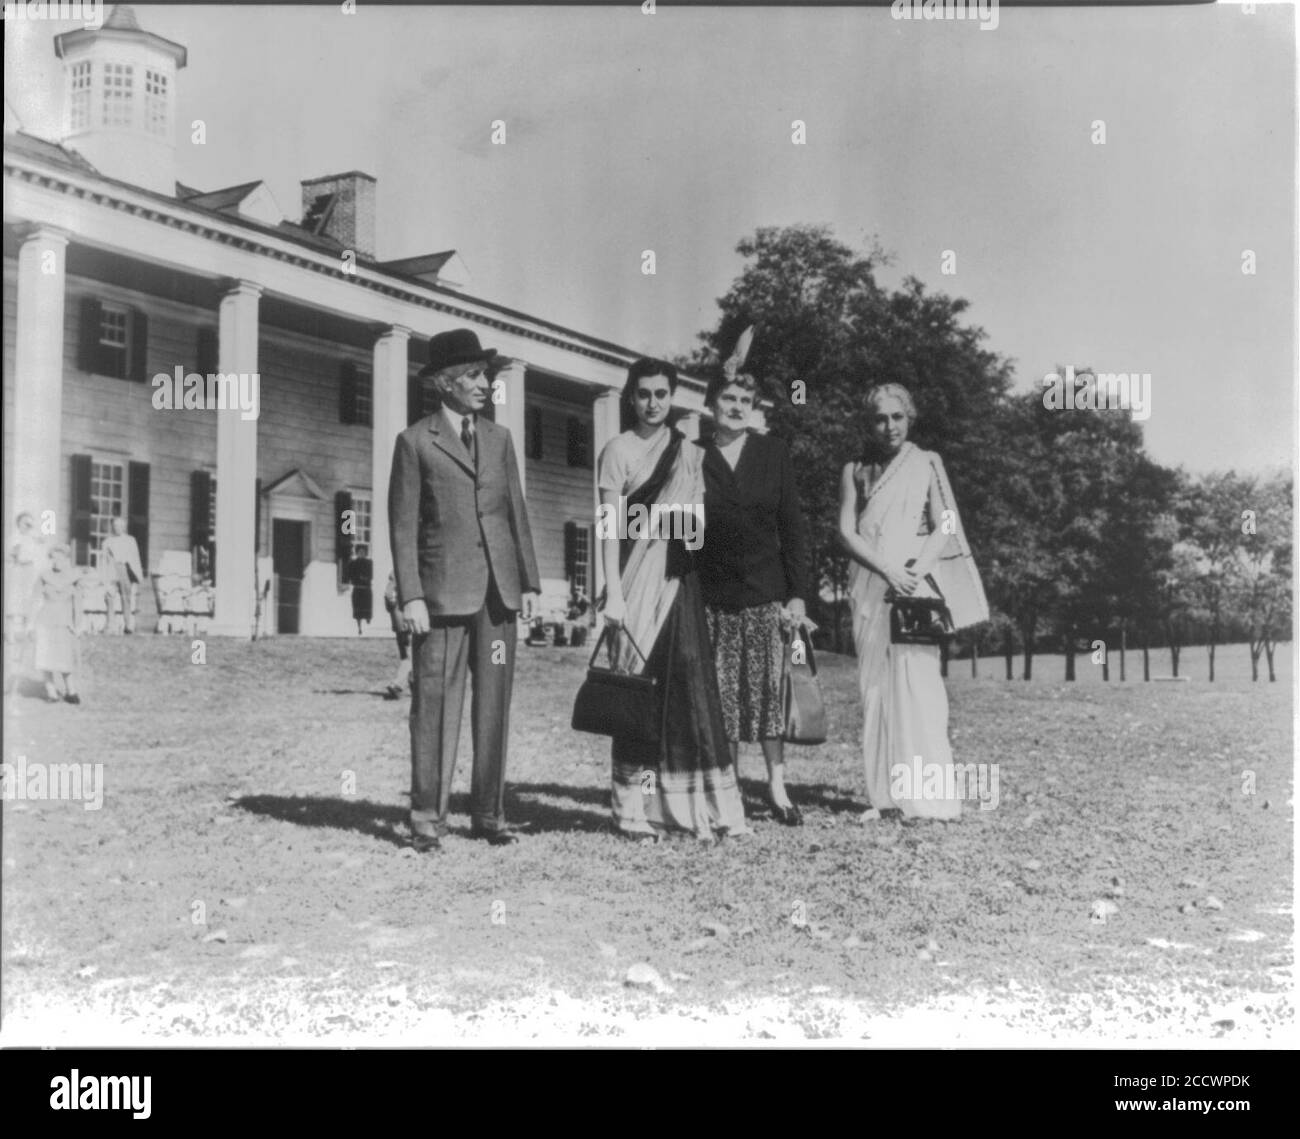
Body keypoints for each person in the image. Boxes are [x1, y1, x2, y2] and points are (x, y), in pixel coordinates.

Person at [388, 328, 540, 852]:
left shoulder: (500, 440)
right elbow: (402, 526)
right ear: (446, 384)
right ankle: (427, 820)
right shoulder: (413, 442)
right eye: (475, 375)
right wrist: (410, 596)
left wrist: (530, 582)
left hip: (499, 595)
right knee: (434, 707)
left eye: (487, 375)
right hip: (440, 598)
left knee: (493, 706)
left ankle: (490, 815)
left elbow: (515, 512)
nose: (485, 384)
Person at [597, 358, 749, 843]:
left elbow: (698, 529)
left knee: (686, 692)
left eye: (662, 394)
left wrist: (679, 522)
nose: (653, 403)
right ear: (631, 397)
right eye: (644, 394)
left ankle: (693, 809)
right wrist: (612, 594)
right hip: (634, 582)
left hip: (679, 582)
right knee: (637, 697)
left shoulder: (687, 453)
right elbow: (608, 527)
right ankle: (631, 811)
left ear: (672, 396)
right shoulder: (617, 450)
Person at [837, 383, 988, 821]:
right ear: (870, 423)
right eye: (880, 418)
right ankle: (884, 796)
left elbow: (945, 524)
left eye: (897, 417)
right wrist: (888, 570)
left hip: (914, 587)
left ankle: (928, 800)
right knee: (876, 689)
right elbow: (845, 532)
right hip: (870, 585)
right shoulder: (855, 469)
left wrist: (915, 571)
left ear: (910, 418)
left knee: (920, 689)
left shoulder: (926, 463)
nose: (889, 427)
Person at [696, 365, 812, 826]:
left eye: (746, 401)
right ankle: (729, 789)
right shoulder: (693, 455)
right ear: (711, 406)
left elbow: (794, 530)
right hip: (712, 596)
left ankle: (777, 788)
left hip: (766, 594)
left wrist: (799, 595)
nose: (738, 407)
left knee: (766, 695)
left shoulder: (772, 453)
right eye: (729, 399)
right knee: (723, 696)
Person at [28, 543, 82, 704]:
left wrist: (78, 624)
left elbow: (78, 603)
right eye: (54, 558)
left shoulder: (74, 577)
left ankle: (70, 691)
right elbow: (35, 600)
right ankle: (51, 692)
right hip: (45, 620)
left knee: (65, 657)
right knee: (45, 657)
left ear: (67, 559)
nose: (57, 561)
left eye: (61, 558)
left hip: (65, 621)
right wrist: (30, 625)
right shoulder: (44, 576)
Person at [5, 512, 46, 693]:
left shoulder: (33, 537)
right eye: (24, 524)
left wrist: (34, 536)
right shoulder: (14, 537)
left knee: (31, 599)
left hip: (30, 570)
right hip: (18, 570)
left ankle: (29, 627)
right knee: (15, 599)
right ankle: (13, 631)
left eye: (29, 524)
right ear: (18, 524)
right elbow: (11, 554)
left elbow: (42, 547)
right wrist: (16, 552)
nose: (26, 527)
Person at [101, 515, 144, 634]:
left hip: (125, 570)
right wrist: (104, 577)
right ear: (112, 527)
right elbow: (104, 560)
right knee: (109, 597)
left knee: (127, 598)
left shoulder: (130, 540)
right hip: (112, 570)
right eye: (115, 525)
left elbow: (135, 558)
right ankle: (110, 625)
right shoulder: (107, 542)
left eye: (120, 526)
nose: (118, 528)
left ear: (124, 527)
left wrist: (137, 576)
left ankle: (128, 625)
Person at [382, 570, 412, 700]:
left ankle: (414, 686)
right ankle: (397, 685)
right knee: (410, 656)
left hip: (399, 624)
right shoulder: (402, 576)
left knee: (406, 655)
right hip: (407, 622)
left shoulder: (393, 578)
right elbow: (389, 596)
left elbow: (388, 598)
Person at [347, 543, 374, 634]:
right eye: (359, 552)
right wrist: (356, 579)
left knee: (367, 609)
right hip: (357, 590)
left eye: (363, 552)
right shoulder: (353, 563)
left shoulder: (369, 563)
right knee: (358, 610)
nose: (361, 553)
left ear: (365, 553)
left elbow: (371, 575)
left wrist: (365, 578)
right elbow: (350, 575)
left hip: (366, 589)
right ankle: (359, 628)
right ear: (357, 552)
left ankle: (368, 621)